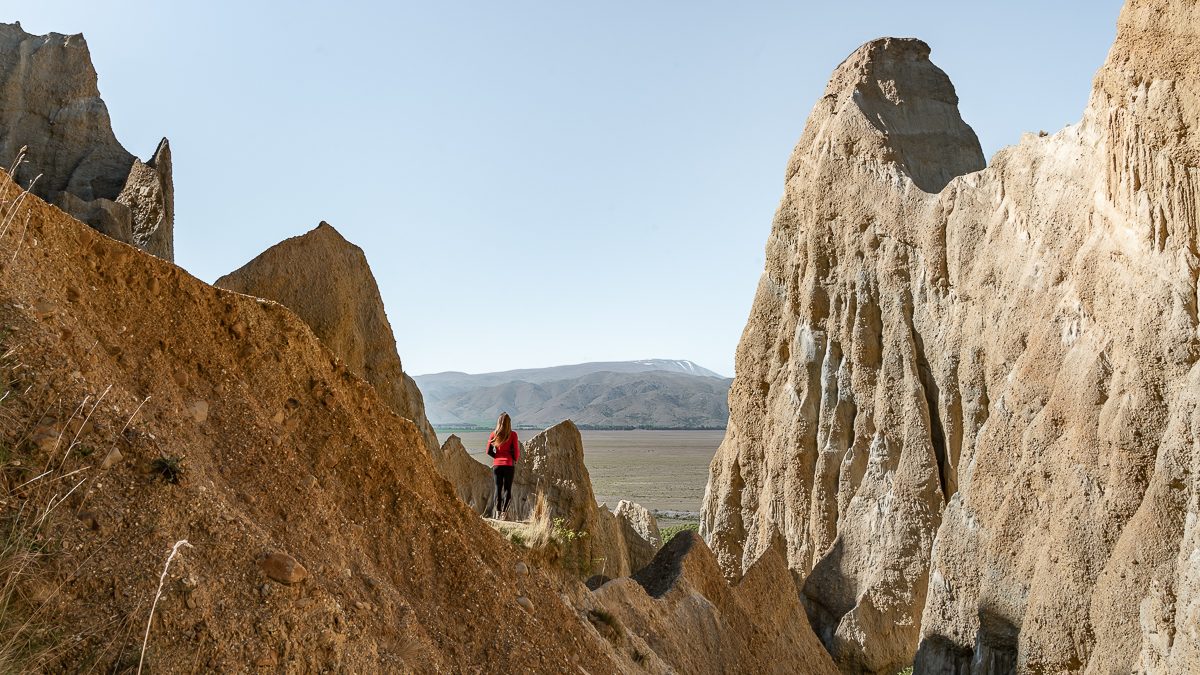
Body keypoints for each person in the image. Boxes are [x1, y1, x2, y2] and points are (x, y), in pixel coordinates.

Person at [487, 412, 519, 520]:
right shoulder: (513, 434)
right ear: (509, 423)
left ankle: (497, 512)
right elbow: (516, 451)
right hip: (509, 465)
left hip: (497, 465)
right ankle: (504, 515)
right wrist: (514, 459)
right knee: (507, 489)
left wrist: (497, 457)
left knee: (498, 488)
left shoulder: (493, 434)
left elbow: (488, 451)